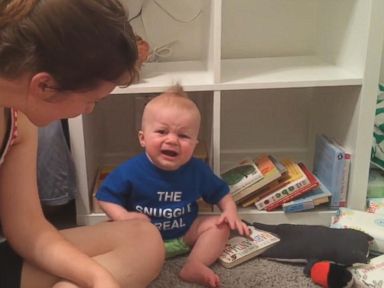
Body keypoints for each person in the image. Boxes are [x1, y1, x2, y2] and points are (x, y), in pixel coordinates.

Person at [0, 1, 165, 287]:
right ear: (44, 85)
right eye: (91, 100)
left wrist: (97, 278)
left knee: (143, 237)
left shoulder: (18, 118)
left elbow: (29, 230)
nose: (89, 110)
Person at [96, 85, 250, 288]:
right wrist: (123, 217)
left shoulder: (197, 170)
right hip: (142, 240)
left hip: (184, 236)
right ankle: (138, 264)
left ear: (195, 143)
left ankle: (195, 264)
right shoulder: (130, 170)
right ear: (142, 138)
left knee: (219, 226)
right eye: (161, 131)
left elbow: (221, 193)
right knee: (107, 233)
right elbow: (104, 197)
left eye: (184, 136)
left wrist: (230, 212)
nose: (172, 140)